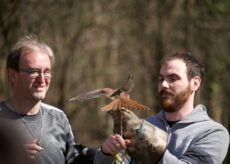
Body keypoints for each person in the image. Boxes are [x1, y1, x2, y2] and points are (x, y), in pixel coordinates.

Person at [94, 52, 230, 163]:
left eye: (173, 78)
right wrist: (107, 154)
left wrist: (152, 148)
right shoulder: (143, 126)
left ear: (195, 83)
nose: (164, 84)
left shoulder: (213, 133)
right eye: (161, 79)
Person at [0, 35, 78, 164]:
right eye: (34, 71)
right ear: (13, 75)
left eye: (47, 72)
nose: (42, 80)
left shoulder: (58, 118)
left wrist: (104, 154)